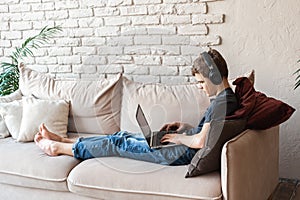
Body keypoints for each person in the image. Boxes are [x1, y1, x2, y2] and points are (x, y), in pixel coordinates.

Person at [34, 49, 238, 166]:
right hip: (179, 146)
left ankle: (58, 148)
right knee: (121, 135)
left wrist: (178, 138)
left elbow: (201, 141)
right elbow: (206, 132)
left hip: (178, 153)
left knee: (118, 145)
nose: (201, 88)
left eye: (201, 82)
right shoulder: (225, 98)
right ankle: (66, 140)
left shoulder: (224, 102)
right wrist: (185, 127)